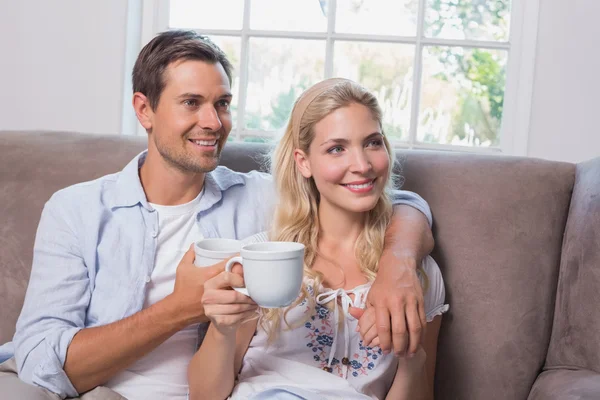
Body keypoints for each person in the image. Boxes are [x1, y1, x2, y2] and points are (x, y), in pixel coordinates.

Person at [0, 31, 433, 399]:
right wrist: (179, 308)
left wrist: (398, 264)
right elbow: (40, 360)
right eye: (191, 102)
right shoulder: (76, 210)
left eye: (222, 103)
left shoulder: (263, 200)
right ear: (144, 109)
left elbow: (388, 200)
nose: (213, 121)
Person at [188, 78, 449, 400]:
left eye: (373, 142)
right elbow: (203, 396)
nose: (362, 165)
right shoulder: (261, 255)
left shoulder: (415, 275)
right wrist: (224, 329)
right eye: (337, 149)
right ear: (303, 162)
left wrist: (411, 357)